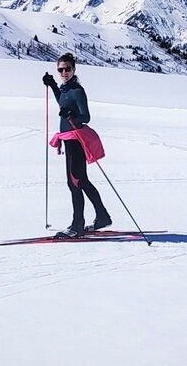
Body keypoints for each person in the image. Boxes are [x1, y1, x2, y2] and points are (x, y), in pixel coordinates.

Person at [43, 53, 112, 238]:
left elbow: (86, 117)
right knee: (80, 180)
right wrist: (52, 86)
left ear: (74, 70)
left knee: (74, 182)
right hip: (69, 139)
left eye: (67, 69)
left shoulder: (77, 91)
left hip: (76, 140)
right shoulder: (65, 89)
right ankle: (102, 216)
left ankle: (77, 225)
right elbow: (63, 102)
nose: (64, 72)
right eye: (60, 70)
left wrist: (71, 116)